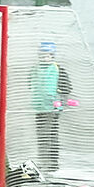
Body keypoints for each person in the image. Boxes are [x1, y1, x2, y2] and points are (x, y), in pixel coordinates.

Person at [29, 41, 74, 173]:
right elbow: (30, 85)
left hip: (53, 108)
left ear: (53, 56)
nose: (45, 58)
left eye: (48, 55)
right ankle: (43, 161)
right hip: (39, 107)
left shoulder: (58, 69)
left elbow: (66, 87)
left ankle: (53, 163)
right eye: (42, 55)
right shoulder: (35, 69)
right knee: (41, 135)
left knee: (51, 135)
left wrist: (61, 100)